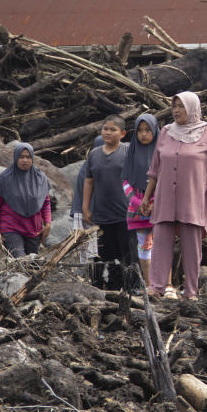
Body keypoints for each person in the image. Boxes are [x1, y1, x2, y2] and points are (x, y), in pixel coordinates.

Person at [141, 91, 207, 300]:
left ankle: (191, 291)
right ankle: (156, 287)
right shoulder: (166, 132)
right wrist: (146, 198)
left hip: (192, 198)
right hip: (165, 197)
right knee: (160, 241)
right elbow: (154, 169)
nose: (176, 111)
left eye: (181, 107)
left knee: (191, 246)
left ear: (192, 108)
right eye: (174, 106)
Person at [82, 114, 134, 291]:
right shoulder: (94, 154)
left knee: (127, 253)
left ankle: (131, 287)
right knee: (105, 254)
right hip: (102, 213)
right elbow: (89, 181)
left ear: (123, 133)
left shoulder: (128, 151)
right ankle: (111, 286)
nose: (108, 132)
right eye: (105, 128)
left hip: (125, 213)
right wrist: (85, 206)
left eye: (113, 129)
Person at [0, 142, 51, 258]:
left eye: (28, 157)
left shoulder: (40, 178)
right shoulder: (5, 178)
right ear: (15, 157)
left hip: (33, 229)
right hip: (11, 228)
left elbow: (46, 202)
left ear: (32, 158)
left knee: (33, 264)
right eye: (21, 157)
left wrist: (48, 223)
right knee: (20, 260)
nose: (25, 160)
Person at [122, 113, 159, 290]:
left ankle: (165, 284)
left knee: (161, 245)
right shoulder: (132, 151)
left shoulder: (161, 152)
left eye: (148, 130)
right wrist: (139, 203)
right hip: (138, 211)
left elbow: (166, 180)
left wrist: (153, 202)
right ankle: (149, 284)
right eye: (140, 131)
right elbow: (125, 181)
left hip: (160, 208)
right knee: (144, 246)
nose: (144, 134)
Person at [71, 136, 105, 277]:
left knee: (89, 250)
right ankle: (90, 277)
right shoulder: (91, 167)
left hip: (87, 212)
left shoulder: (89, 165)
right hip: (88, 214)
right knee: (89, 251)